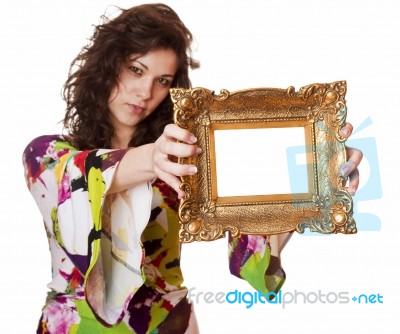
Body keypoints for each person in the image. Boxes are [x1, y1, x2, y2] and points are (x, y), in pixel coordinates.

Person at [22, 3, 363, 333]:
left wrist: (317, 178)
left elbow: (251, 261)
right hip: (76, 327)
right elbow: (81, 177)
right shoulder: (49, 155)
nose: (145, 91)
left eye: (163, 80)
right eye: (136, 69)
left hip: (169, 324)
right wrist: (152, 158)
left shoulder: (187, 165)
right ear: (107, 65)